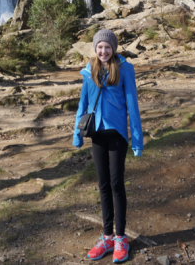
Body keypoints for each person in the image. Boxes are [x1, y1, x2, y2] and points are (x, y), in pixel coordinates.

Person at [73, 29, 143, 262]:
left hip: (117, 135)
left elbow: (132, 106)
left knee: (116, 183)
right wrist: (77, 134)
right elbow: (82, 105)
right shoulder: (89, 71)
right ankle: (106, 237)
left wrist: (137, 140)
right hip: (97, 135)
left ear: (113, 48)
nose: (103, 51)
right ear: (95, 49)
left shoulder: (124, 69)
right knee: (102, 185)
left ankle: (121, 237)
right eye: (99, 47)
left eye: (107, 47)